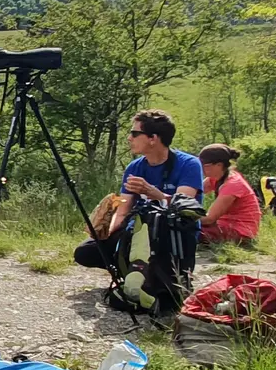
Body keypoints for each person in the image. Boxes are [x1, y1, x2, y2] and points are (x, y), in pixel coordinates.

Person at [74, 110, 203, 274]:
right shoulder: (134, 168)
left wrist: (154, 193)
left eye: (135, 133)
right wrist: (105, 231)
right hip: (138, 231)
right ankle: (130, 270)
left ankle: (150, 273)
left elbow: (184, 206)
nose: (129, 138)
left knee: (162, 269)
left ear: (153, 138)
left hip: (173, 234)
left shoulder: (189, 164)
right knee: (85, 252)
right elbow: (123, 211)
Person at [197, 144, 261, 245]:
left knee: (188, 231)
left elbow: (210, 219)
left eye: (205, 166)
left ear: (219, 165)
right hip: (225, 225)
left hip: (240, 231)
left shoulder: (233, 184)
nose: (201, 168)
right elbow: (195, 190)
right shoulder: (216, 177)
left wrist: (184, 218)